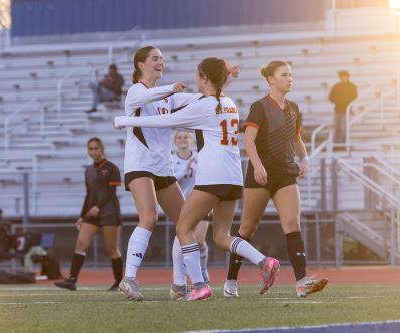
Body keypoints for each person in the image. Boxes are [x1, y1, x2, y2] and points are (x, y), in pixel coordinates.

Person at [115, 57, 280, 301]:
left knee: (183, 227)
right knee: (221, 235)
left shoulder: (203, 106)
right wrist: (226, 79)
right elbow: (202, 99)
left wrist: (125, 121)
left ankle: (199, 285)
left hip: (212, 177)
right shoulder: (229, 103)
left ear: (204, 78)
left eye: (197, 74)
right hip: (234, 177)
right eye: (156, 58)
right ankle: (264, 261)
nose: (194, 78)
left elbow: (166, 121)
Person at [223, 60, 328, 298]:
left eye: (291, 74)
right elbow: (248, 140)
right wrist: (258, 166)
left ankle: (302, 282)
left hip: (285, 174)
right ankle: (231, 282)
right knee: (247, 229)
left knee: (292, 223)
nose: (289, 78)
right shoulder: (260, 107)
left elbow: (296, 139)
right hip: (260, 175)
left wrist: (305, 159)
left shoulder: (293, 108)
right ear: (270, 79)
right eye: (284, 75)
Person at [116, 45, 204, 302]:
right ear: (141, 65)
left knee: (186, 223)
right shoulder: (136, 92)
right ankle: (128, 279)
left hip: (162, 168)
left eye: (162, 59)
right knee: (150, 217)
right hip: (140, 165)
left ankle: (179, 284)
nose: (160, 62)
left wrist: (221, 85)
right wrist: (171, 88)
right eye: (155, 58)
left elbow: (198, 98)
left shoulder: (168, 97)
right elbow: (149, 96)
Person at [54, 137, 123, 291]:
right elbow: (88, 195)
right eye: (90, 149)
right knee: (80, 244)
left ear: (102, 149)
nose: (93, 151)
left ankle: (119, 282)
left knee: (111, 248)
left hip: (109, 212)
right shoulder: (88, 170)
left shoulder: (112, 168)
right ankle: (71, 280)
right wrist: (82, 215)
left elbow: (111, 193)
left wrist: (98, 206)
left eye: (96, 148)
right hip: (92, 214)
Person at [172, 130, 210, 283]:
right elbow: (171, 180)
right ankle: (182, 276)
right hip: (181, 206)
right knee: (183, 240)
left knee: (200, 240)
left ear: (191, 140)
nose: (183, 140)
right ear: (175, 141)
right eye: (179, 137)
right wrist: (184, 170)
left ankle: (202, 268)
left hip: (200, 203)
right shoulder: (172, 159)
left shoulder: (199, 157)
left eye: (185, 137)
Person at [329, 70, 358, 149]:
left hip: (347, 111)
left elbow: (355, 97)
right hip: (337, 110)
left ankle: (342, 145)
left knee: (343, 127)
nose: (343, 78)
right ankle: (335, 145)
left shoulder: (352, 86)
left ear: (348, 77)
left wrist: (350, 104)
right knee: (336, 128)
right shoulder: (336, 86)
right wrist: (336, 100)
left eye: (345, 77)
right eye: (342, 77)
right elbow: (330, 97)